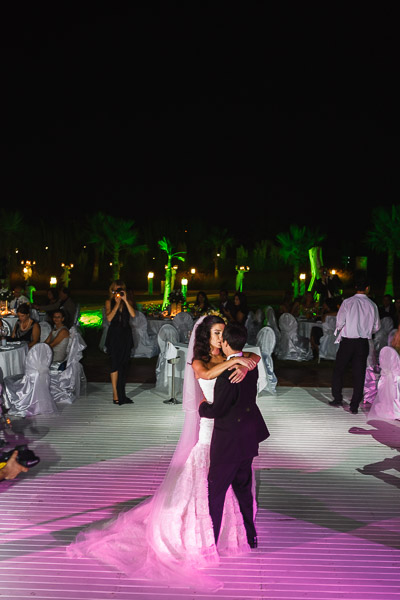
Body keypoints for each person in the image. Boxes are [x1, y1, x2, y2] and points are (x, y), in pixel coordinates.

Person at [67, 315, 261, 590]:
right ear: (207, 336)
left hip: (232, 431)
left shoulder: (236, 356)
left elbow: (252, 355)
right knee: (208, 486)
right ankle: (205, 536)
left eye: (223, 332)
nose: (220, 337)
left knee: (232, 484)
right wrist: (235, 362)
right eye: (217, 332)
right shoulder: (200, 361)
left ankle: (235, 530)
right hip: (210, 429)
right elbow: (205, 376)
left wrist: (247, 360)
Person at [199, 322, 270, 549]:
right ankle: (251, 533)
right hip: (248, 438)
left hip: (228, 441)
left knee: (216, 492)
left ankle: (212, 540)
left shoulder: (228, 373)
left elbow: (217, 410)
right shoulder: (250, 366)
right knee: (244, 489)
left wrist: (202, 407)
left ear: (227, 343)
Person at [330, 272, 380, 414]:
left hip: (348, 342)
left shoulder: (348, 302)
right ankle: (354, 405)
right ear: (367, 288)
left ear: (355, 287)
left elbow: (339, 322)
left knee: (339, 369)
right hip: (362, 343)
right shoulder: (372, 305)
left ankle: (337, 398)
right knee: (359, 373)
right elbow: (377, 327)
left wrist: (347, 327)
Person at [105, 280, 136, 405]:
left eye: (120, 290)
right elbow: (109, 318)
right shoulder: (109, 302)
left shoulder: (127, 301)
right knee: (114, 364)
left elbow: (133, 314)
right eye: (115, 290)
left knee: (124, 365)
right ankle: (115, 394)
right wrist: (117, 304)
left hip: (125, 335)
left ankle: (122, 394)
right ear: (112, 291)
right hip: (114, 336)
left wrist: (125, 300)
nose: (117, 293)